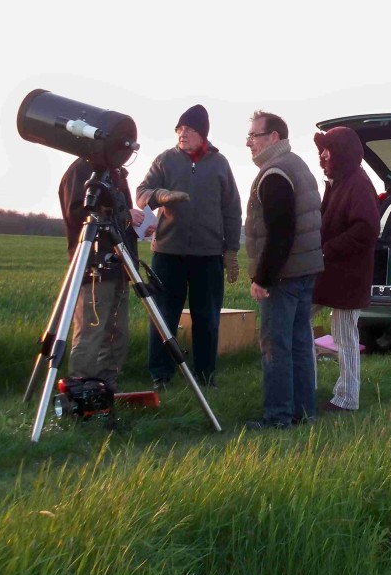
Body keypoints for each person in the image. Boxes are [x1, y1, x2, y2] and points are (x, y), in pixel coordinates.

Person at [136, 104, 242, 390]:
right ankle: (161, 375)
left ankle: (205, 377)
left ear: (203, 134)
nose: (183, 134)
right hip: (167, 254)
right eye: (179, 129)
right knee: (163, 317)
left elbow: (232, 208)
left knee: (206, 318)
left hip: (207, 256)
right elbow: (141, 193)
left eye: (190, 129)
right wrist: (161, 195)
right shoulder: (164, 160)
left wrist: (231, 249)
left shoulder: (220, 164)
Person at [243, 111, 324, 429]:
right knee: (301, 343)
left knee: (276, 347)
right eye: (249, 137)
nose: (250, 143)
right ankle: (304, 413)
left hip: (283, 276)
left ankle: (277, 417)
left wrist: (263, 278)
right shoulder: (298, 166)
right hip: (305, 271)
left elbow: (281, 232)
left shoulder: (275, 173)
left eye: (255, 136)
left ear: (274, 137)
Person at [59, 157, 146, 394]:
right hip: (94, 267)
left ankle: (106, 388)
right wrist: (125, 215)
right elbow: (81, 215)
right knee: (91, 333)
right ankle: (80, 391)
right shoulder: (81, 170)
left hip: (120, 264)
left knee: (117, 334)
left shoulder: (116, 174)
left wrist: (137, 225)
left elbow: (118, 216)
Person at [312, 126, 380, 413]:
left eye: (327, 149)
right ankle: (306, 387)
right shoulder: (339, 181)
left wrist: (328, 248)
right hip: (331, 275)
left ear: (342, 152)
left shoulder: (358, 184)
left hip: (347, 276)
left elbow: (366, 229)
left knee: (345, 337)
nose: (322, 155)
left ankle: (347, 398)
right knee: (299, 319)